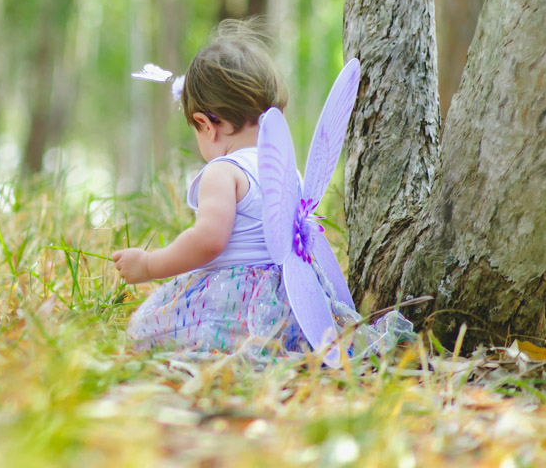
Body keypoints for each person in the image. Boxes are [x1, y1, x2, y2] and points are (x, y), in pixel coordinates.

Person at [112, 20, 411, 360]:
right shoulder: (289, 174)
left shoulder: (222, 172)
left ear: (205, 125)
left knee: (145, 335)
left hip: (231, 304)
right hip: (290, 302)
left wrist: (150, 264)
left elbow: (209, 240)